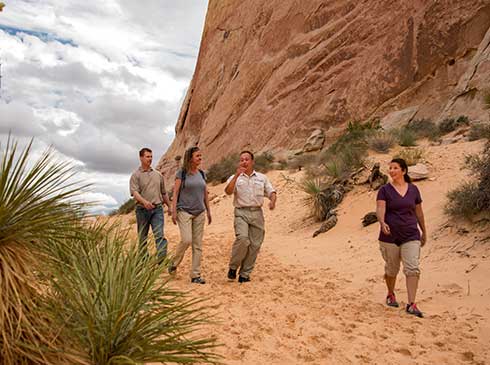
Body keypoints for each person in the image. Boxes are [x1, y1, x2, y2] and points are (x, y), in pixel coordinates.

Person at [376, 158, 427, 318]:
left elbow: (419, 212)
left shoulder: (413, 190)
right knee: (392, 269)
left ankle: (411, 304)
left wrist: (424, 231)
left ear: (403, 171)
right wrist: (382, 222)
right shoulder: (384, 190)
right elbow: (380, 208)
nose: (391, 171)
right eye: (390, 168)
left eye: (395, 168)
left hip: (411, 234)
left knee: (412, 268)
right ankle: (391, 293)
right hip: (389, 236)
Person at [225, 151, 277, 283]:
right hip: (241, 212)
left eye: (247, 159)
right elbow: (228, 191)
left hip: (257, 213)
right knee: (242, 239)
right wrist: (237, 176)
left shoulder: (262, 178)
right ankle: (233, 267)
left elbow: (271, 191)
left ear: (252, 161)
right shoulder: (235, 178)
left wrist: (272, 201)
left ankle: (245, 274)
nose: (244, 162)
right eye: (241, 160)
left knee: (255, 245)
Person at [170, 146, 212, 284]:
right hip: (184, 211)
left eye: (200, 156)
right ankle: (173, 263)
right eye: (197, 156)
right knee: (187, 240)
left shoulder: (201, 173)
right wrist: (174, 210)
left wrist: (209, 210)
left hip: (200, 212)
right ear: (190, 158)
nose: (200, 158)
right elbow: (175, 193)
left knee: (198, 245)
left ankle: (195, 275)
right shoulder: (181, 173)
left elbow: (205, 193)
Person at [130, 147, 172, 260]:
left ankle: (162, 260)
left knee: (159, 235)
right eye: (147, 156)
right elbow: (135, 193)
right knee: (142, 237)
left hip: (157, 209)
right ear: (141, 158)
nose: (150, 159)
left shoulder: (158, 175)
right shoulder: (135, 175)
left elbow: (164, 193)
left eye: (151, 156)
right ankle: (143, 261)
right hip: (142, 210)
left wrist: (170, 206)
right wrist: (144, 202)